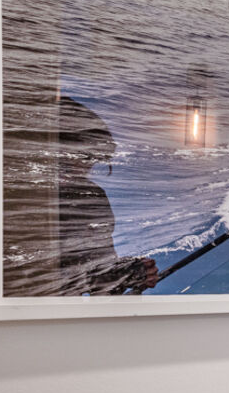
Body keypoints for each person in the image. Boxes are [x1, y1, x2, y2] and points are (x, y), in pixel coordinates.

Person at [52, 95, 158, 295]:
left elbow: (99, 274)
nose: (84, 166)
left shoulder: (91, 198)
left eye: (92, 159)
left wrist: (131, 273)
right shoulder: (22, 199)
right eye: (82, 156)